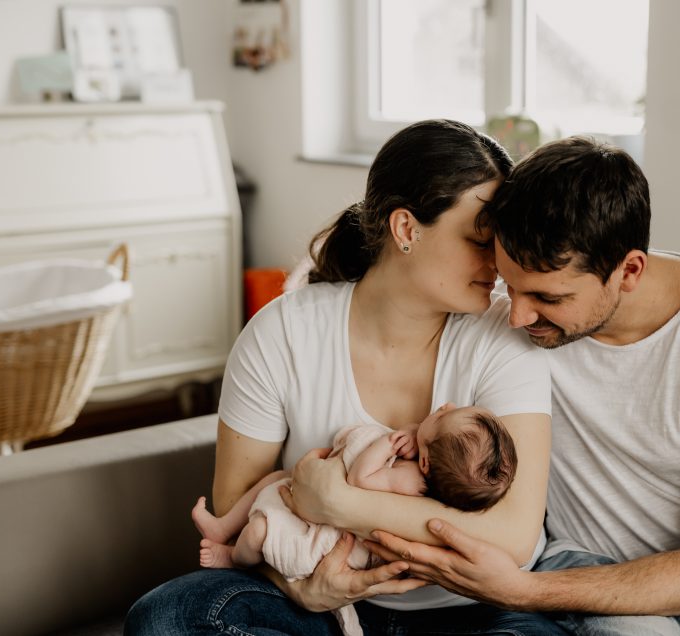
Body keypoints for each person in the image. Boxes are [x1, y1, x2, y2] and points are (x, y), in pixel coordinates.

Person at [361, 137, 680, 635]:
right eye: (508, 284)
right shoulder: (508, 328)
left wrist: (522, 591)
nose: (517, 315)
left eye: (547, 297)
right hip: (586, 568)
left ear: (629, 270)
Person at [125, 119, 565, 636]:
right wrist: (300, 588)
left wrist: (340, 503)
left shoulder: (505, 336)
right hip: (322, 602)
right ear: (406, 229)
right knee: (167, 619)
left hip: (475, 607)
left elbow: (511, 537)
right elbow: (237, 513)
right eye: (479, 239)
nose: (499, 262)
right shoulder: (283, 332)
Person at [192, 404, 516, 636]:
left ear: (427, 463)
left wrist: (385, 444)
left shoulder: (410, 480)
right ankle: (222, 526)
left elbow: (363, 481)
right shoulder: (429, 463)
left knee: (258, 533)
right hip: (312, 511)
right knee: (276, 477)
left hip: (325, 542)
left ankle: (234, 558)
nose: (445, 406)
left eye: (444, 416)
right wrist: (414, 432)